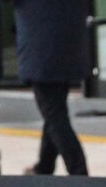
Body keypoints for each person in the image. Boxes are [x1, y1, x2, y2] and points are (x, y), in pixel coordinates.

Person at [12, 0, 92, 175]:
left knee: (55, 116)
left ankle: (79, 172)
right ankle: (44, 167)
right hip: (68, 41)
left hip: (42, 46)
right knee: (55, 111)